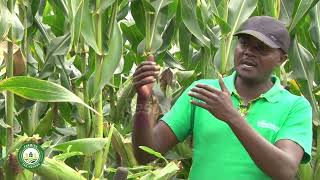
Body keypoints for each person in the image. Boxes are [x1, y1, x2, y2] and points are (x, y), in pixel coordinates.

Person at [132, 16, 312, 180]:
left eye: (261, 48)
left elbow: (284, 170)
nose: (248, 52)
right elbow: (146, 154)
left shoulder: (296, 106)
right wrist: (143, 100)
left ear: (282, 59)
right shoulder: (203, 91)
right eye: (244, 43)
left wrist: (232, 117)